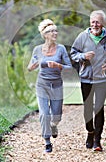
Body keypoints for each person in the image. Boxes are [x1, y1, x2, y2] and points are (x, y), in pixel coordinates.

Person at [70, 10, 106, 151]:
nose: (95, 24)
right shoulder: (82, 37)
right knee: (88, 110)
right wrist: (83, 56)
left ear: (103, 23)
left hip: (102, 79)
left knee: (99, 109)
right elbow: (73, 54)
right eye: (93, 21)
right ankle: (90, 132)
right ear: (90, 22)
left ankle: (97, 141)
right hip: (86, 78)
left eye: (98, 22)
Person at [27, 19, 72, 153]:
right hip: (42, 85)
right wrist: (34, 65)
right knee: (44, 114)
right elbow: (30, 67)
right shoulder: (37, 49)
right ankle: (47, 141)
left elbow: (69, 67)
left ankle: (53, 125)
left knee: (56, 116)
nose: (55, 33)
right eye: (51, 31)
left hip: (57, 85)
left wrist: (58, 66)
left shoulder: (61, 49)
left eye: (56, 30)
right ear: (45, 34)